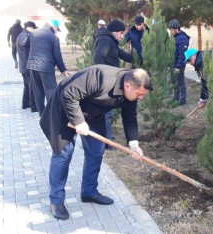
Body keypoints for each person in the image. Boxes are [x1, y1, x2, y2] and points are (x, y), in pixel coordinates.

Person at [39, 66, 151, 220]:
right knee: (63, 154)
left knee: (96, 151)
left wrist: (134, 144)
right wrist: (78, 121)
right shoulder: (101, 77)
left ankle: (89, 191)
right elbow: (68, 93)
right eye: (139, 94)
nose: (141, 98)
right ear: (127, 85)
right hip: (65, 109)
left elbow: (130, 117)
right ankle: (56, 201)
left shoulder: (131, 94)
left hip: (93, 114)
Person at [93, 19, 133, 148]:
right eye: (121, 33)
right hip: (106, 80)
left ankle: (107, 138)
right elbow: (97, 59)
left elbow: (122, 54)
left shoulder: (111, 41)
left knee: (107, 112)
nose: (122, 36)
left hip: (110, 79)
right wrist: (107, 76)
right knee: (107, 113)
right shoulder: (105, 40)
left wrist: (140, 58)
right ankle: (107, 143)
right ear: (114, 31)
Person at [26, 19, 68, 116]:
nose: (57, 31)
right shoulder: (54, 37)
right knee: (51, 91)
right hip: (46, 67)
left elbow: (26, 46)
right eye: (57, 29)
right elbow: (57, 55)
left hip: (32, 66)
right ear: (54, 27)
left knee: (38, 92)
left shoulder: (33, 33)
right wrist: (63, 70)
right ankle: (52, 114)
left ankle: (42, 114)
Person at [16, 21, 38, 112]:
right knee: (31, 86)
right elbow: (26, 48)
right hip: (26, 65)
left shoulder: (21, 35)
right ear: (29, 28)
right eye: (33, 28)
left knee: (27, 86)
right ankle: (33, 106)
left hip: (23, 65)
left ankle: (25, 104)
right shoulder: (25, 37)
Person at [168, 19, 190, 105]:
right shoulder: (174, 37)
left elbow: (182, 54)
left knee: (180, 82)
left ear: (177, 28)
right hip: (173, 63)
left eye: (172, 29)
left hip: (179, 64)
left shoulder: (182, 38)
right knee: (174, 82)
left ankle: (182, 100)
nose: (170, 31)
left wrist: (178, 66)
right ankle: (175, 98)